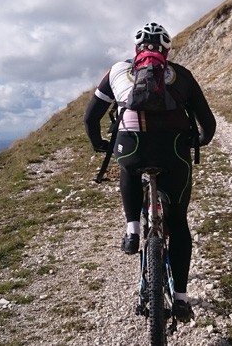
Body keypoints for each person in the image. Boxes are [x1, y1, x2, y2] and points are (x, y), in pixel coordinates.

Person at [84, 22, 216, 321]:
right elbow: (208, 122)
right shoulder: (181, 75)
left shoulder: (117, 71)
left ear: (136, 50)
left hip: (131, 146)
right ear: (167, 51)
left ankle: (132, 229)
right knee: (178, 222)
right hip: (174, 152)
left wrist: (100, 145)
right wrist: (200, 141)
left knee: (128, 168)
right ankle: (181, 300)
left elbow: (90, 117)